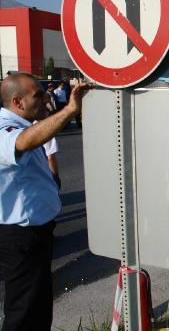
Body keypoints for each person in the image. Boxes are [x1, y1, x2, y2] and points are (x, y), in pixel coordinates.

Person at [0, 73, 92, 330]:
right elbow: (22, 142)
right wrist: (71, 110)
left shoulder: (23, 123)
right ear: (17, 102)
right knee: (23, 312)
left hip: (37, 234)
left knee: (38, 309)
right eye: (38, 95)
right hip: (20, 237)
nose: (46, 99)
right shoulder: (5, 128)